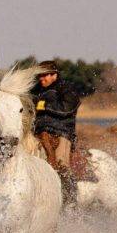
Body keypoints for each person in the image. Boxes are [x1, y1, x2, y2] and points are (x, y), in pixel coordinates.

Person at [31, 60, 86, 206]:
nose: (41, 79)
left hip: (62, 133)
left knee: (62, 165)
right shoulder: (37, 91)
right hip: (39, 134)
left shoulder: (66, 89)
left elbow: (67, 108)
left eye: (44, 76)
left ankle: (70, 202)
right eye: (40, 76)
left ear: (54, 74)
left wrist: (45, 106)